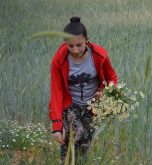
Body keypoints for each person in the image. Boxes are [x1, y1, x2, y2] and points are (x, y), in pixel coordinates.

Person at [49, 16, 118, 164]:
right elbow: (56, 92)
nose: (75, 50)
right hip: (70, 105)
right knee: (74, 135)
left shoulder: (99, 55)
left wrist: (105, 96)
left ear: (87, 40)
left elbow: (112, 78)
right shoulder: (59, 60)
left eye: (79, 45)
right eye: (70, 46)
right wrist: (56, 126)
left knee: (85, 144)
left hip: (92, 106)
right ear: (65, 43)